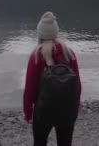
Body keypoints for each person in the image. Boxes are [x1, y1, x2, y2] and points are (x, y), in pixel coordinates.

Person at [23, 12, 82, 146]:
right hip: (68, 109)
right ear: (56, 32)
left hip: (43, 110)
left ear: (40, 34)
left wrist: (28, 113)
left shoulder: (36, 56)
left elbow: (30, 89)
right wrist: (76, 106)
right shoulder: (69, 53)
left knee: (40, 142)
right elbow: (77, 84)